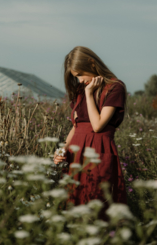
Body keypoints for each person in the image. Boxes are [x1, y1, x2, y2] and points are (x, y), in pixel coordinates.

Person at [54, 46, 127, 221]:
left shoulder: (115, 87)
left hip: (98, 151)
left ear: (92, 64)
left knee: (98, 203)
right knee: (74, 204)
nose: (79, 81)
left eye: (80, 74)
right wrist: (62, 150)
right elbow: (76, 126)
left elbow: (98, 125)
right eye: (75, 77)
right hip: (75, 152)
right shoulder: (80, 91)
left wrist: (89, 94)